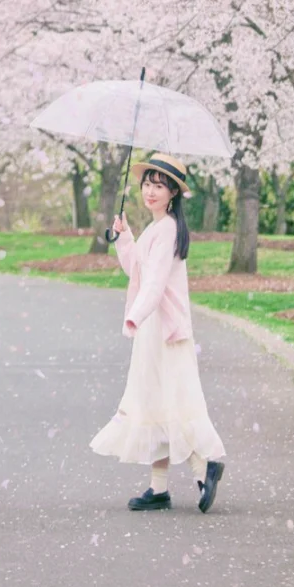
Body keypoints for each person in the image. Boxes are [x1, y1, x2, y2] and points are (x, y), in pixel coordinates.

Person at [90, 154, 226, 513]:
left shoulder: (167, 230)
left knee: (172, 400)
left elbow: (154, 283)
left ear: (173, 193)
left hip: (164, 330)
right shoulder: (156, 228)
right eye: (147, 184)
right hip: (154, 327)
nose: (150, 191)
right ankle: (160, 487)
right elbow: (137, 271)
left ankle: (205, 467)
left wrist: (134, 317)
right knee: (154, 401)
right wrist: (124, 237)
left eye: (159, 186)